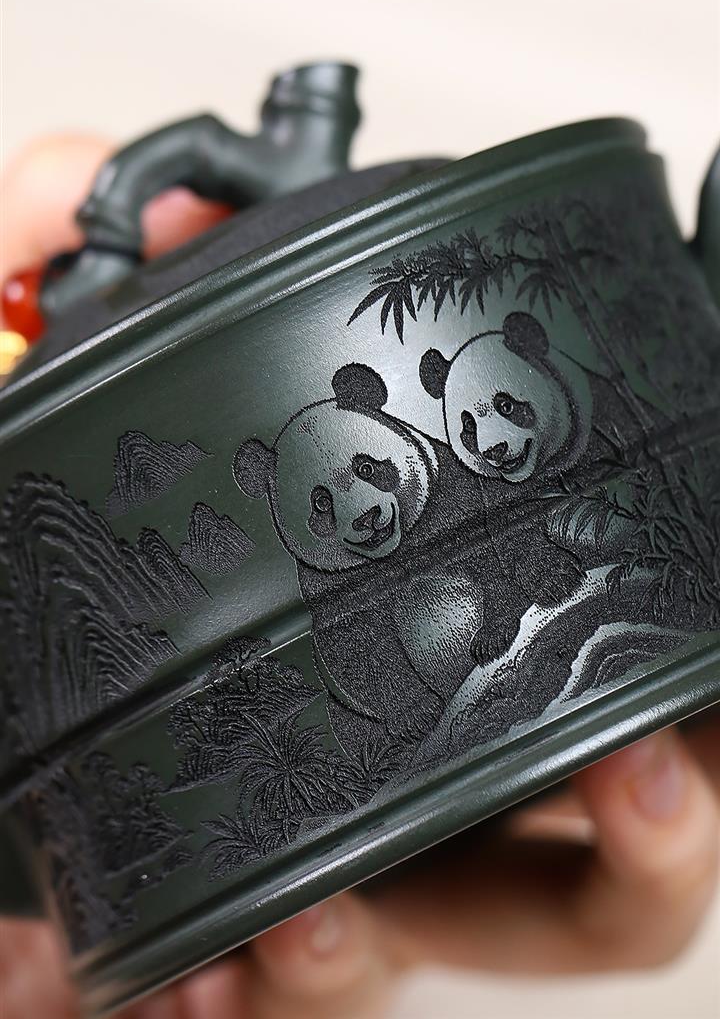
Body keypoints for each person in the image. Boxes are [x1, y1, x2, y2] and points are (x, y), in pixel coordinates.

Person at [1, 136, 718, 1019]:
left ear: (385, 413)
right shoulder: (334, 583)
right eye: (323, 506)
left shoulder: (462, 463)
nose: (363, 510)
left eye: (369, 472)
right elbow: (367, 679)